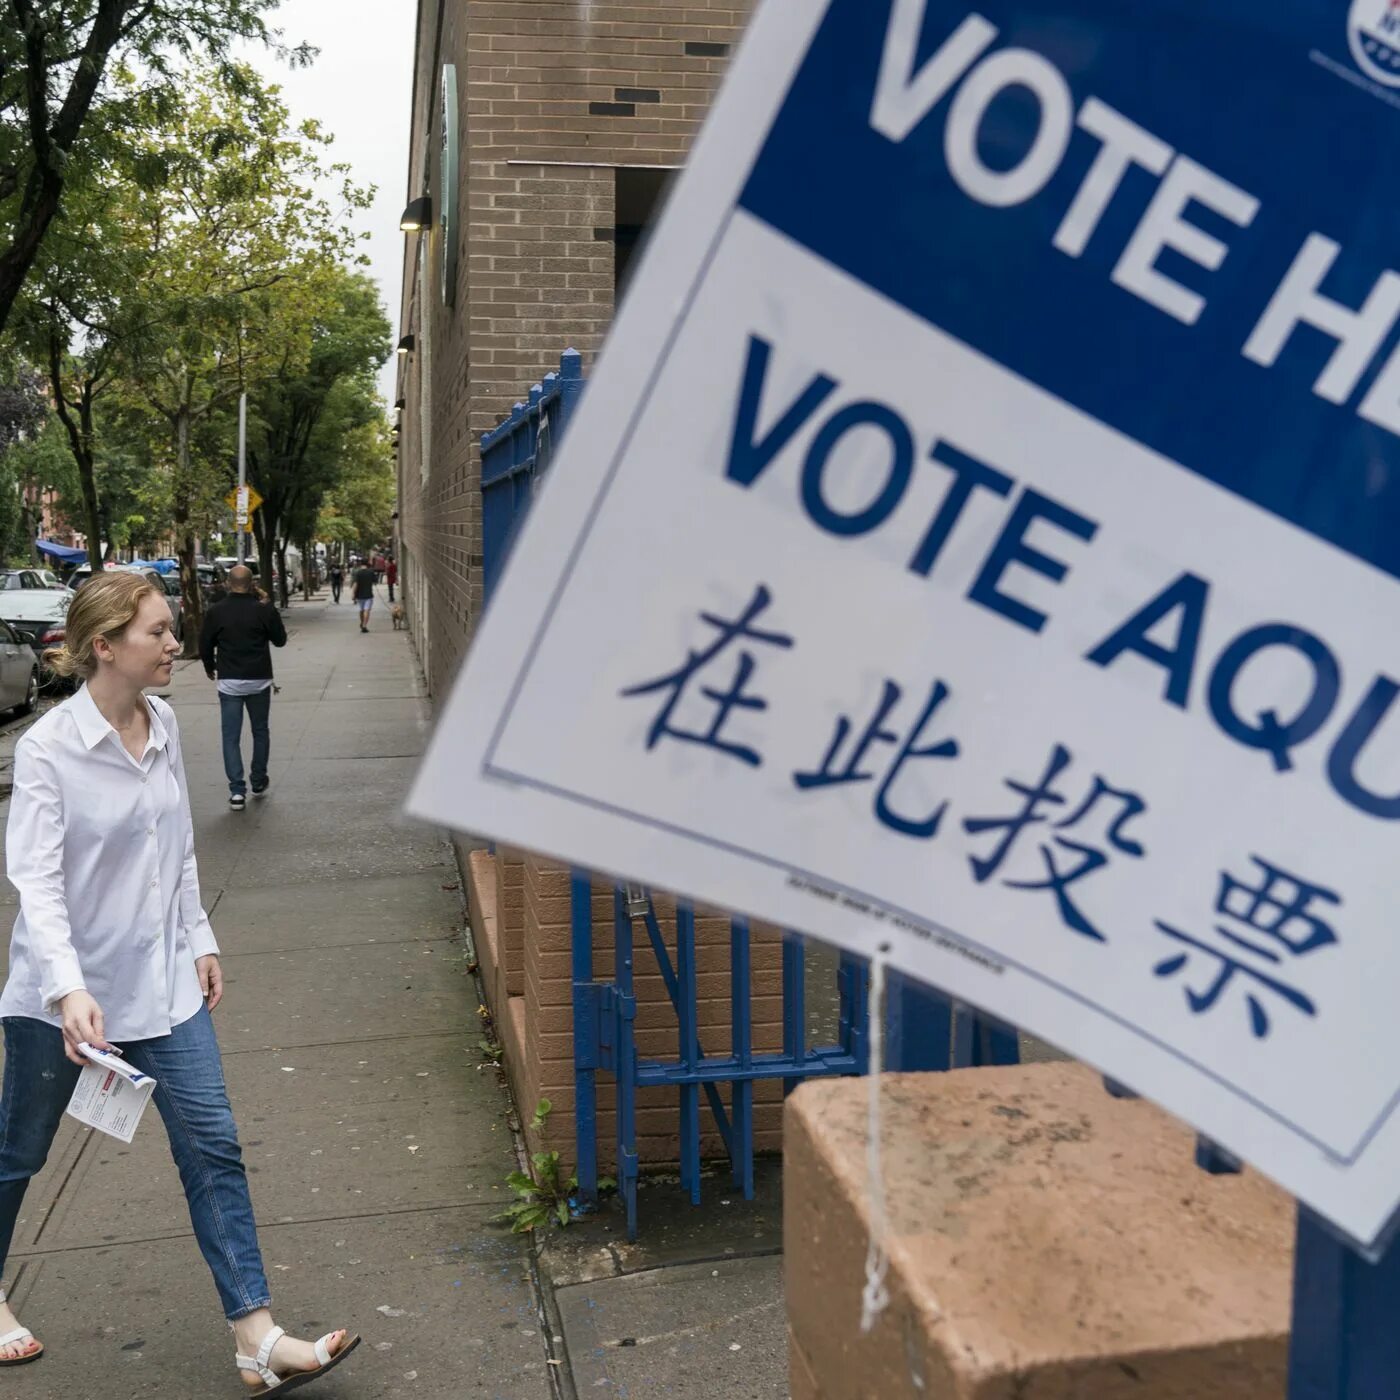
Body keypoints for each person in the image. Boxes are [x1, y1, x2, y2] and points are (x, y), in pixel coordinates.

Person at [0, 572, 358, 1389]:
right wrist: (66, 988)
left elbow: (177, 846)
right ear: (106, 645)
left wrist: (197, 935)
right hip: (65, 1004)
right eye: (159, 632)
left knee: (213, 1146)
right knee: (19, 1150)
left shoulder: (161, 722)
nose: (174, 645)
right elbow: (38, 885)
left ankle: (256, 1338)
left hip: (163, 988)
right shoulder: (49, 749)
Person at [199, 565, 286, 811]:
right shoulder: (262, 610)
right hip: (259, 680)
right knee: (260, 731)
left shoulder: (217, 611)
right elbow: (280, 640)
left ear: (228, 583)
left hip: (230, 682)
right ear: (252, 583)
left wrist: (209, 666)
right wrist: (268, 606)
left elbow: (205, 643)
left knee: (230, 737)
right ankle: (258, 781)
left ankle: (237, 791)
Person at [351, 557, 376, 633]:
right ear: (367, 563)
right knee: (367, 610)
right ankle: (364, 625)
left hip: (359, 595)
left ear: (361, 564)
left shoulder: (358, 572)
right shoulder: (371, 572)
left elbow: (355, 584)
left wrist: (353, 593)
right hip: (368, 594)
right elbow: (375, 581)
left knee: (361, 610)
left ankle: (362, 623)